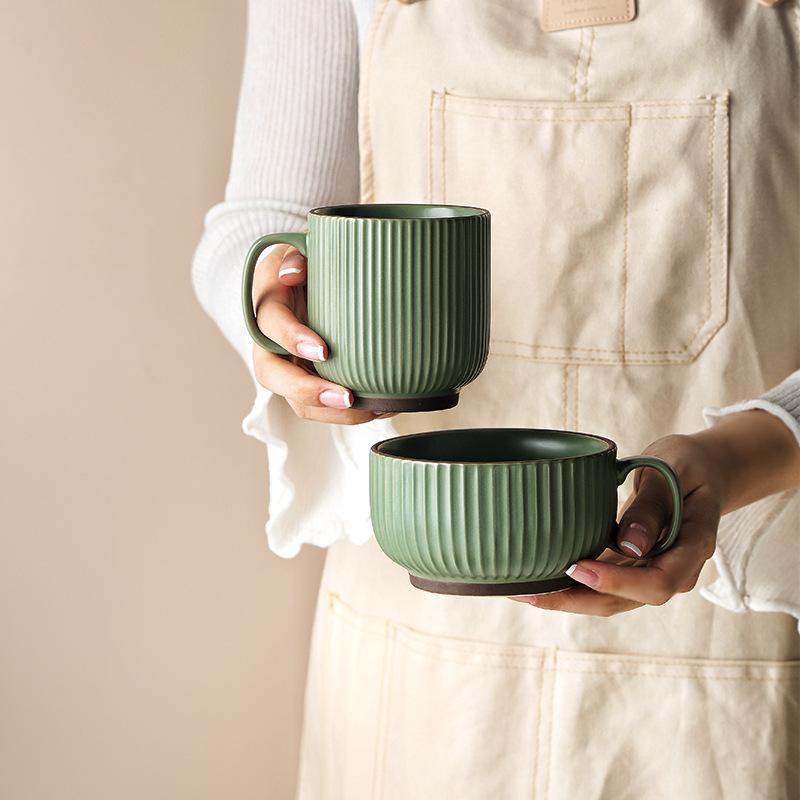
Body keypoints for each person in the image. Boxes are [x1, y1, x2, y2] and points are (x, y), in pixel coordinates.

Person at [193, 1, 800, 797]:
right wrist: (273, 311)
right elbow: (265, 219)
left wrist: (740, 453)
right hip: (415, 656)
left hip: (726, 639)